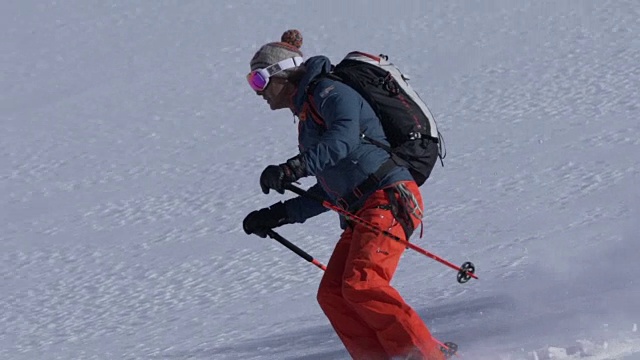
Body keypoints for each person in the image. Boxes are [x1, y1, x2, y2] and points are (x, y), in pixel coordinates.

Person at [242, 29, 446, 360]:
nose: (258, 92)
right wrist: (277, 215)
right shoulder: (308, 116)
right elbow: (329, 186)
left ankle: (425, 356)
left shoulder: (331, 92)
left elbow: (342, 141)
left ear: (282, 73)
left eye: (259, 81)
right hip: (362, 207)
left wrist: (292, 169)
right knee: (334, 294)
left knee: (362, 285)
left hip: (389, 198)